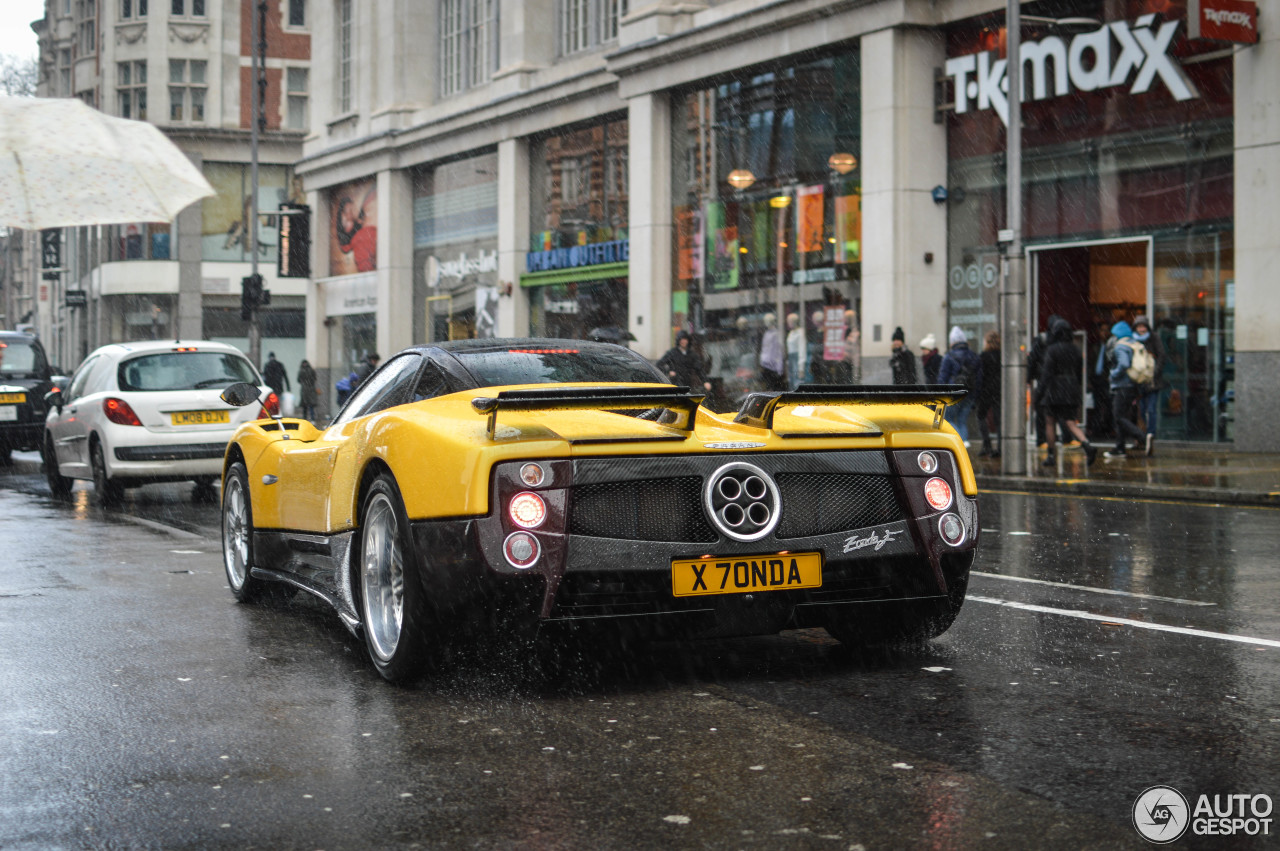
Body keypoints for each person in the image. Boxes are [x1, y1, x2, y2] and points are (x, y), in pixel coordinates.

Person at [1034, 317, 1098, 466]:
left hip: (1054, 389)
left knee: (1049, 422)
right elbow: (1080, 372)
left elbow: (1046, 374)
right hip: (1071, 388)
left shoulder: (1052, 350)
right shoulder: (1075, 349)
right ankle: (1087, 445)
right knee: (1070, 423)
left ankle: (1051, 456)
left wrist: (1039, 393)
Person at [1102, 320, 1149, 459]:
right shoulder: (1133, 343)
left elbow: (1124, 364)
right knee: (1121, 417)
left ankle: (1142, 437)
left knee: (1118, 417)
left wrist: (1112, 374)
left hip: (1122, 386)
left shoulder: (1120, 346)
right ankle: (1120, 447)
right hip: (1132, 386)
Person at [937, 325, 981, 442]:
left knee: (948, 419)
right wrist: (975, 395)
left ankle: (959, 441)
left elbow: (943, 377)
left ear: (952, 342)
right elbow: (978, 378)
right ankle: (964, 442)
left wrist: (940, 394)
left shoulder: (949, 356)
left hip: (953, 393)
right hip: (969, 392)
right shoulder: (974, 356)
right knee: (962, 421)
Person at [1132, 314, 1165, 456]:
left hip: (1152, 381)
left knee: (1151, 409)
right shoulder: (1133, 339)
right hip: (1139, 382)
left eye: (1143, 326)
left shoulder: (1154, 338)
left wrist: (1154, 374)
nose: (1141, 329)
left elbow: (1162, 356)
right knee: (1142, 410)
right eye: (1139, 326)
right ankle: (1143, 436)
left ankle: (1150, 434)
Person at [976, 331, 1002, 457]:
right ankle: (1001, 447)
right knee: (998, 420)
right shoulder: (1002, 355)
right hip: (998, 390)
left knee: (981, 416)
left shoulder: (983, 356)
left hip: (986, 390)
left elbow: (980, 376)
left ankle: (987, 445)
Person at [758, 313, 785, 390]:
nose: (765, 323)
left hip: (773, 367)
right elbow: (764, 350)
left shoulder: (776, 334)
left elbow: (779, 351)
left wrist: (779, 368)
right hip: (766, 366)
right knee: (767, 387)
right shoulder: (766, 334)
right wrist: (762, 362)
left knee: (774, 388)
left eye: (767, 321)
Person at [785, 313, 805, 388]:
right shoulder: (791, 333)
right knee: (791, 381)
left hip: (796, 359)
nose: (788, 323)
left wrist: (801, 368)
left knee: (797, 382)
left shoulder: (800, 333)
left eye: (789, 321)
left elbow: (801, 349)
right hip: (791, 359)